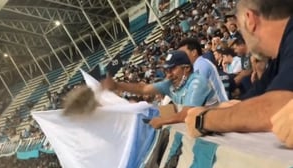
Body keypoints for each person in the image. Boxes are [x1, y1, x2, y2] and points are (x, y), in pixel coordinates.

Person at [185, 0, 293, 139]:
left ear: (250, 20)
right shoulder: (277, 58)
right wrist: (228, 109)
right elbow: (253, 98)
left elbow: (273, 108)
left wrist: (204, 120)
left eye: (239, 27)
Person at [101, 50, 218, 129]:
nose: (169, 75)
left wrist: (161, 121)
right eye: (166, 71)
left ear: (186, 68)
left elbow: (185, 114)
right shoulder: (170, 84)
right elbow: (143, 89)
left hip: (221, 130)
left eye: (172, 69)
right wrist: (117, 85)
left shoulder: (197, 82)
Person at [178, 38, 229, 102]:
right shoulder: (196, 65)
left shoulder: (201, 64)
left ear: (194, 52)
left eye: (183, 53)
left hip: (221, 107)